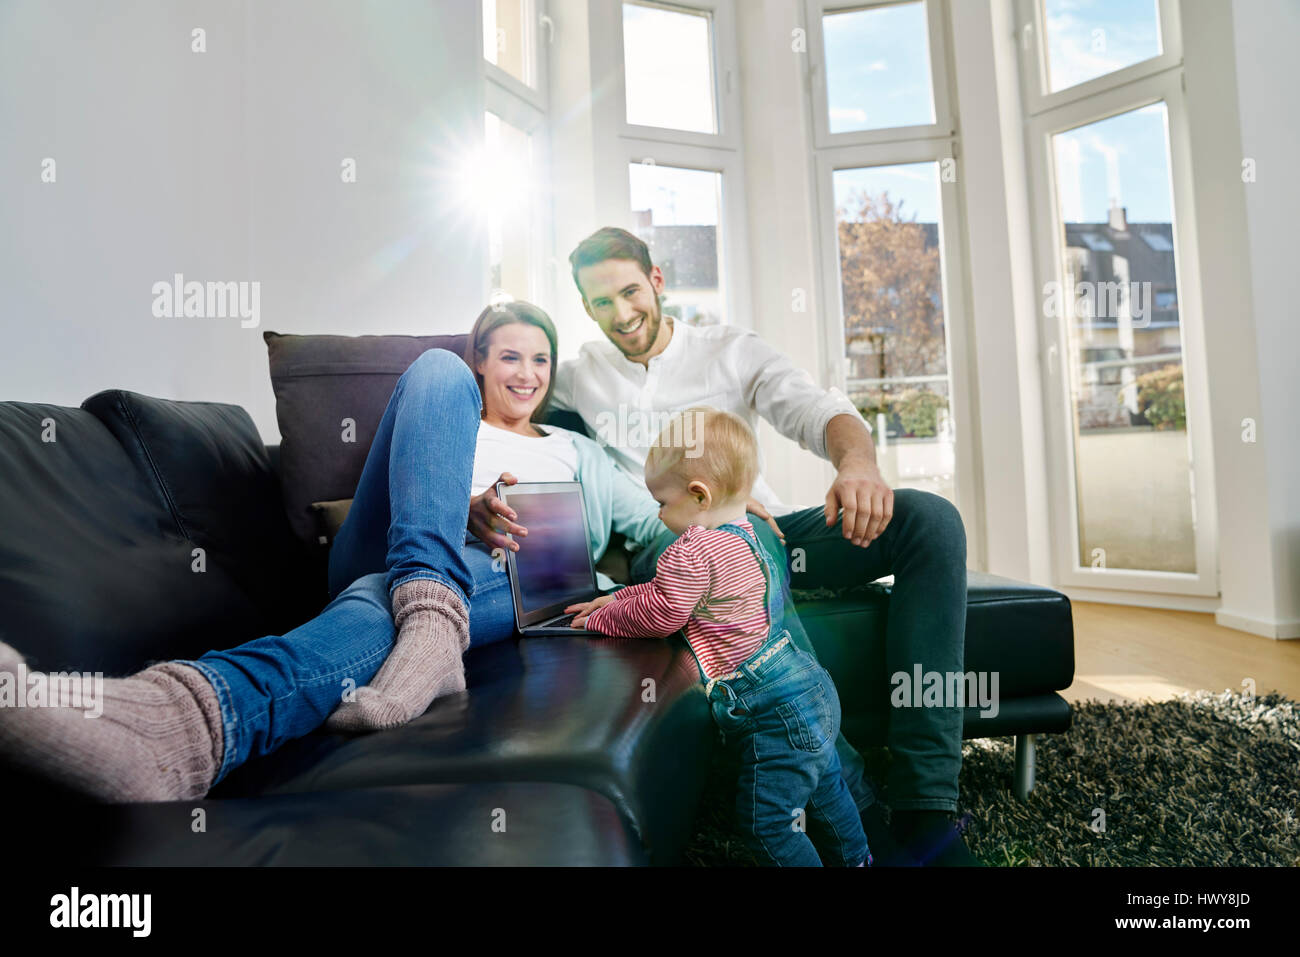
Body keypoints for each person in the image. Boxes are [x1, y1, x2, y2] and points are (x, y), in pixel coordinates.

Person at [0, 301, 667, 802]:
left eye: (541, 359)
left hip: (522, 566)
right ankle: (433, 626)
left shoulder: (578, 451)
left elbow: (659, 525)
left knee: (382, 600)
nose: (527, 373)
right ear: (483, 364)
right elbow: (418, 478)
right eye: (510, 356)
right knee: (431, 372)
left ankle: (186, 724)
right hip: (403, 545)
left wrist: (724, 521)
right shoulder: (448, 404)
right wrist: (459, 511)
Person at [551, 226, 978, 866]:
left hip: (770, 530)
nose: (621, 313)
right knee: (739, 552)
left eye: (630, 291)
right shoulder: (574, 378)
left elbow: (818, 409)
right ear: (585, 308)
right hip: (666, 553)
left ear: (658, 281)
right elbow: (509, 404)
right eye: (600, 302)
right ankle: (860, 811)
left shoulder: (729, 350)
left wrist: (856, 466)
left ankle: (924, 806)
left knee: (930, 521)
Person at [567, 407, 870, 867]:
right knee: (829, 793)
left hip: (775, 711)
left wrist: (601, 619)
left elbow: (663, 612)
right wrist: (618, 597)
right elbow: (664, 593)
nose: (659, 513)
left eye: (662, 503)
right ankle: (860, 859)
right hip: (809, 684)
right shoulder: (745, 534)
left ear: (698, 495)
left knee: (767, 823)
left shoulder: (690, 551)